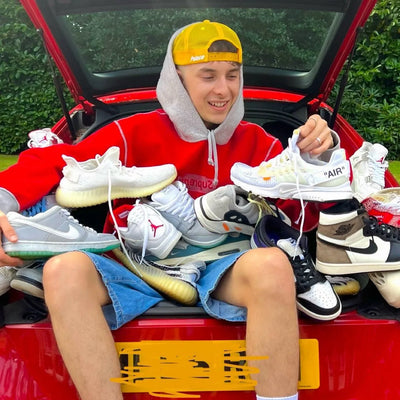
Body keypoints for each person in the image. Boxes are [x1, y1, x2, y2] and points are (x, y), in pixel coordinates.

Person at [0, 20, 337, 400]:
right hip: (136, 261)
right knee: (62, 270)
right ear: (176, 80)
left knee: (274, 264)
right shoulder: (130, 132)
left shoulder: (262, 144)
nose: (223, 89)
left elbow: (303, 219)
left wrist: (318, 161)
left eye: (232, 75)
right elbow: (53, 162)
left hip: (224, 264)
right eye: (207, 75)